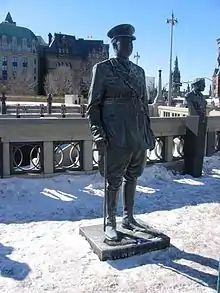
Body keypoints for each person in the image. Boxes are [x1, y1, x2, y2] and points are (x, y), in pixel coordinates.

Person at [86, 24, 155, 241]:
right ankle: (110, 221)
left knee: (133, 176)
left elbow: (144, 105)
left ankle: (129, 217)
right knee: (113, 180)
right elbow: (93, 106)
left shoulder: (139, 72)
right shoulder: (104, 69)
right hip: (115, 134)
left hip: (137, 135)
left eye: (131, 43)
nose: (128, 46)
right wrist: (98, 134)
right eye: (124, 42)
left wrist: (148, 132)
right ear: (115, 44)